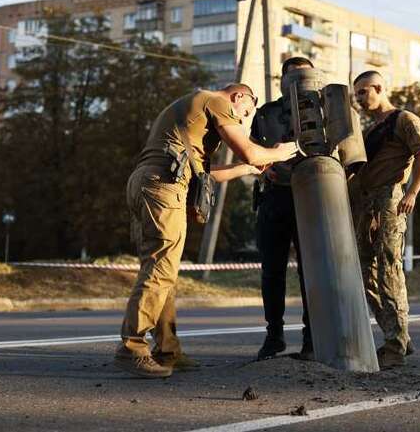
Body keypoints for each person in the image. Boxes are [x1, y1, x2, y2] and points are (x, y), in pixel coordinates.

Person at [115, 83, 298, 378]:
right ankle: (133, 347)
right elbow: (252, 152)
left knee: (165, 272)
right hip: (163, 184)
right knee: (161, 269)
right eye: (245, 113)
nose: (242, 120)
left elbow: (207, 175)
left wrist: (247, 170)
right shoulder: (216, 101)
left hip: (149, 182)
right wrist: (282, 151)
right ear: (239, 97)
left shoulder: (193, 113)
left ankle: (168, 351)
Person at [350, 70, 420, 368]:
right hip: (367, 204)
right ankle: (397, 335)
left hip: (390, 199)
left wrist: (412, 192)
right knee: (363, 270)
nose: (358, 98)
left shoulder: (404, 120)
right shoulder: (372, 130)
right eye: (356, 93)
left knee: (389, 268)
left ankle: (394, 346)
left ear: (379, 88)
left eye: (362, 92)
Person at [250, 57, 314, 361]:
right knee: (272, 272)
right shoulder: (266, 113)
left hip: (312, 200)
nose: (295, 83)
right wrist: (263, 169)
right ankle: (274, 336)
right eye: (289, 77)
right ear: (281, 81)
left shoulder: (325, 109)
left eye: (301, 77)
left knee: (311, 272)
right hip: (274, 198)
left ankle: (312, 338)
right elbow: (248, 150)